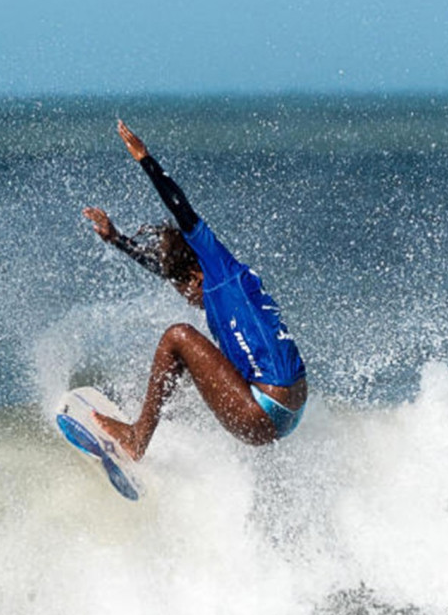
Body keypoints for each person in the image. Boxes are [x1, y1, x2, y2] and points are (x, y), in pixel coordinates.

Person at [82, 120, 307, 460]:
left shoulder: (216, 265)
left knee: (178, 337)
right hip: (292, 407)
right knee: (187, 364)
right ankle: (163, 425)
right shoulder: (229, 281)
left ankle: (138, 435)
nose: (187, 299)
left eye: (182, 289)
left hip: (263, 412)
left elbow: (180, 208)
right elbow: (164, 269)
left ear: (195, 277)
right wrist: (118, 240)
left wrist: (145, 159)